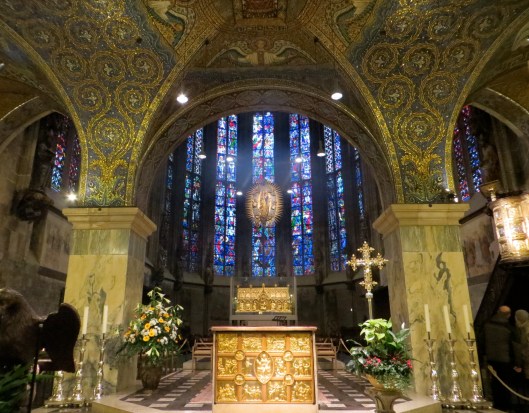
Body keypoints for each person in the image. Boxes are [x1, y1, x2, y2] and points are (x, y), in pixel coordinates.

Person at [483, 306, 521, 411]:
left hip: (490, 359)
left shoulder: (487, 325)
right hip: (505, 360)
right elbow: (516, 347)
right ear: (508, 315)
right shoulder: (508, 328)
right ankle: (505, 407)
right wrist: (518, 363)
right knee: (505, 386)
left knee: (494, 384)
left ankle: (497, 405)